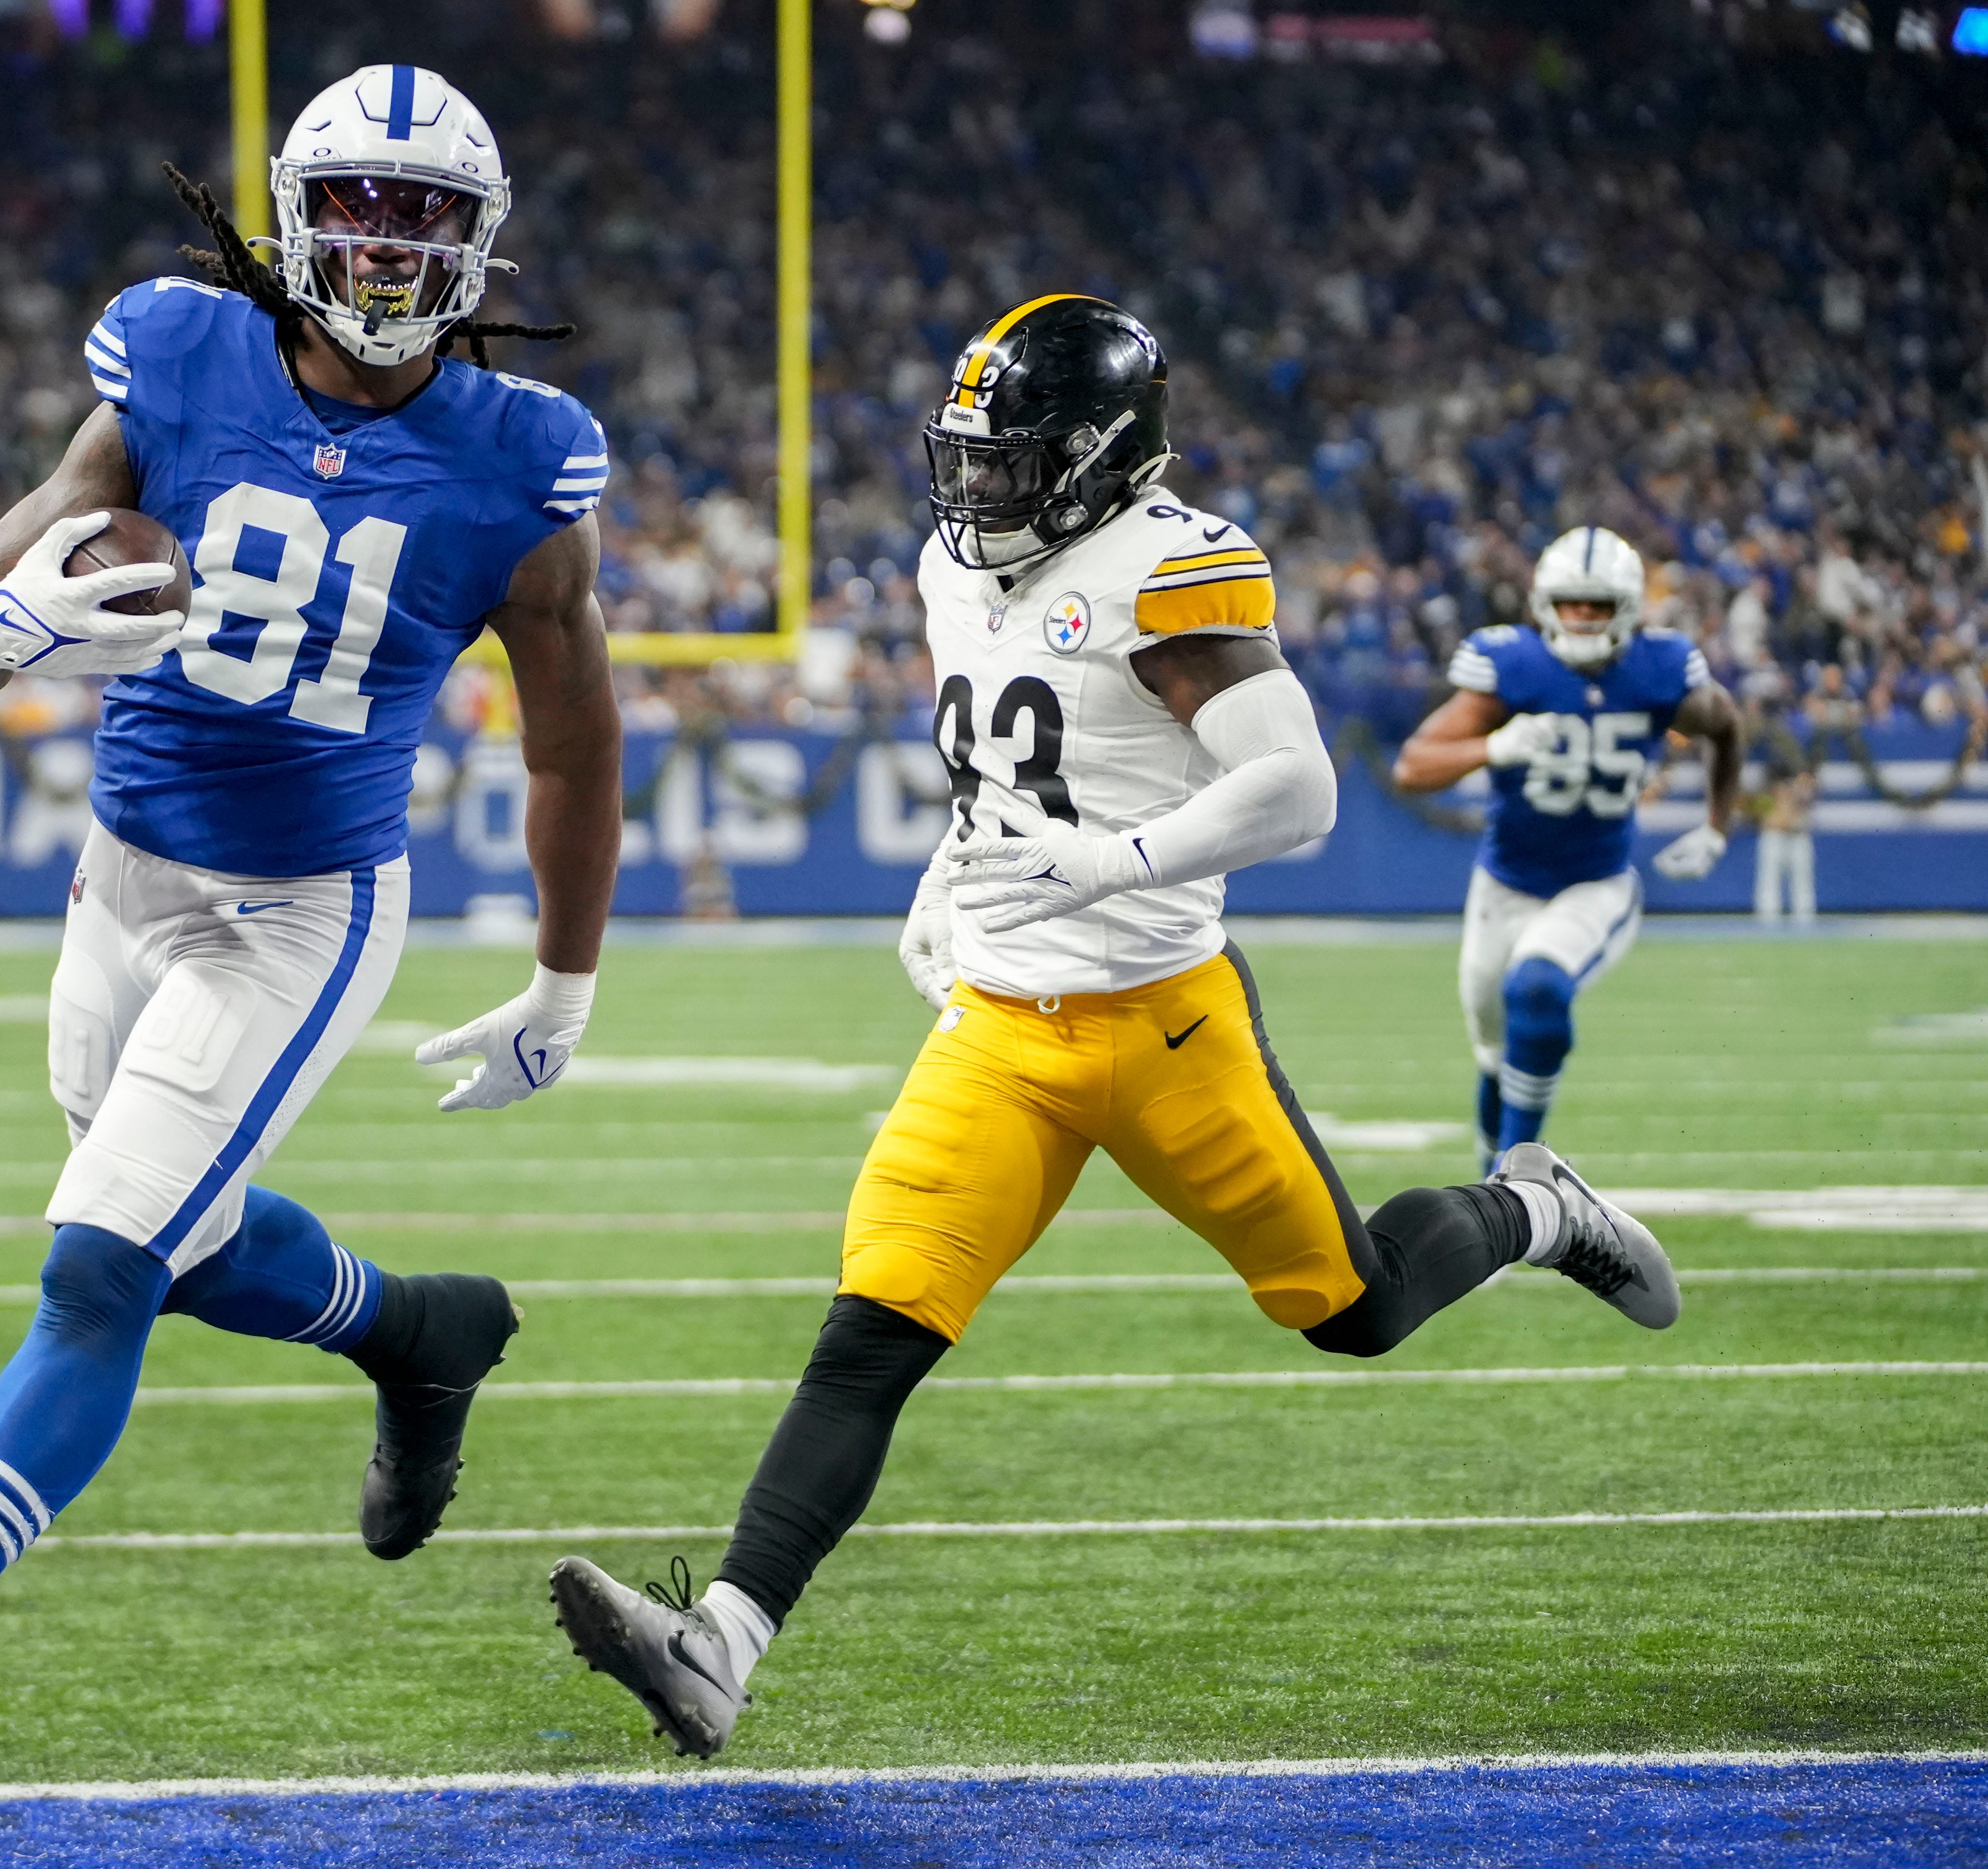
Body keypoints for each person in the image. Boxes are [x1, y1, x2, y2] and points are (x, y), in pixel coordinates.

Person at [541, 297, 1682, 1760]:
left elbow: (1297, 788)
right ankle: (719, 1643)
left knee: (1353, 1305)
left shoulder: (1166, 568)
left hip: (1159, 1026)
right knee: (870, 1330)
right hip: (998, 1030)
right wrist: (941, 880)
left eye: (1008, 464)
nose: (975, 492)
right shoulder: (954, 570)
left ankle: (1531, 1207)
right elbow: (1009, 771)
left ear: (1097, 459)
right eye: (965, 458)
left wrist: (1126, 861)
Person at [0, 65, 622, 1785]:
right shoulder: (174, 348)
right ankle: (413, 1329)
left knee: (100, 1261)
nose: (384, 245)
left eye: (426, 212)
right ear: (293, 217)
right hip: (119, 871)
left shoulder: (524, 460)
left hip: (294, 910)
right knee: (184, 1236)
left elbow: (576, 736)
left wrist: (560, 976)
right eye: (357, 204)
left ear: (482, 242)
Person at [1392, 526, 1744, 1168]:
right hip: (1503, 882)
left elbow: (1725, 724)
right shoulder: (1512, 667)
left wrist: (1715, 825)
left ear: (1629, 608)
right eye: (1570, 603)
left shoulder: (1658, 670)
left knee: (1538, 988)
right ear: (1541, 605)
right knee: (1495, 1053)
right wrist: (1494, 746)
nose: (1582, 617)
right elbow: (1412, 766)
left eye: (1598, 604)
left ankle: (1513, 1182)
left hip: (1596, 880)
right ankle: (1489, 1187)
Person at [1754, 763, 1817, 925]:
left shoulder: (1803, 785)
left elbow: (1806, 805)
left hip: (1797, 835)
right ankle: (1767, 919)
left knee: (1802, 882)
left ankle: (1805, 919)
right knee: (1769, 880)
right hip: (1775, 834)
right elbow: (1764, 815)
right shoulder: (1768, 790)